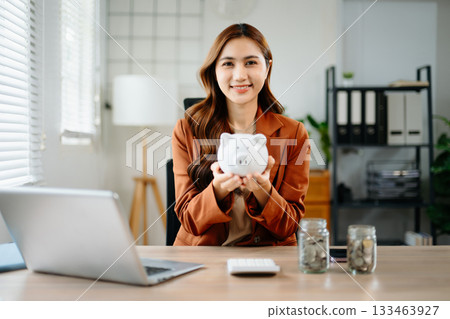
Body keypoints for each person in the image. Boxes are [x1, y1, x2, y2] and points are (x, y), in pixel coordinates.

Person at [171, 23, 309, 246]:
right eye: (228, 64)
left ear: (267, 67)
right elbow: (189, 220)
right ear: (214, 70)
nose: (240, 75)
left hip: (269, 256)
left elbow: (289, 225)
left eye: (251, 62)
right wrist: (218, 188)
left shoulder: (294, 133)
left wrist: (263, 190)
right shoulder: (187, 130)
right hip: (204, 258)